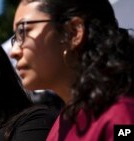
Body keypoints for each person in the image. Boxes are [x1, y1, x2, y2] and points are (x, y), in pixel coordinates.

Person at [11, 0, 134, 140]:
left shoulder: (121, 118)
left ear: (73, 32)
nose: (13, 52)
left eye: (24, 31)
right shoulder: (62, 123)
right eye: (15, 38)